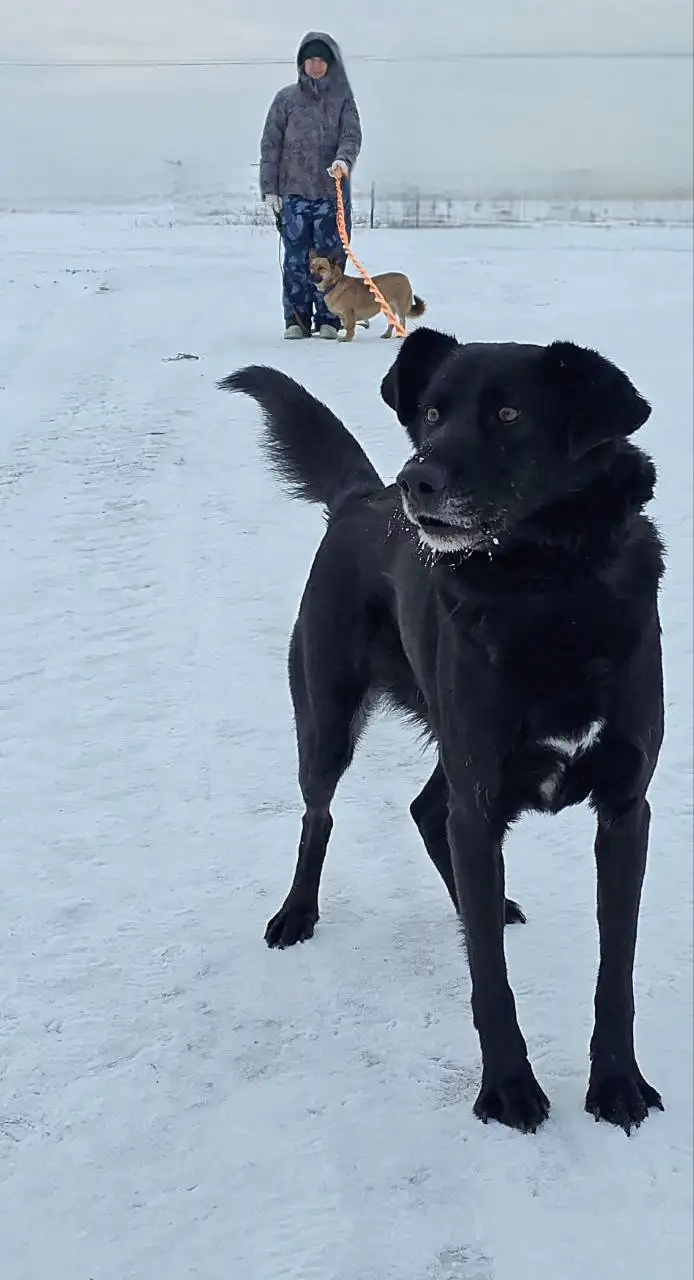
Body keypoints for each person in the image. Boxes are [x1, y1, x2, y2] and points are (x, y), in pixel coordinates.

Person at [259, 32, 362, 339]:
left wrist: (343, 160)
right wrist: (270, 189)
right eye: (310, 60)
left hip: (331, 195)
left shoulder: (343, 100)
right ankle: (297, 320)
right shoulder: (286, 99)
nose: (315, 66)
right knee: (296, 257)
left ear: (330, 64)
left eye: (321, 60)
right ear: (301, 64)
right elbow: (270, 145)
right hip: (294, 193)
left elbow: (351, 135)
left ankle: (331, 319)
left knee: (331, 258)